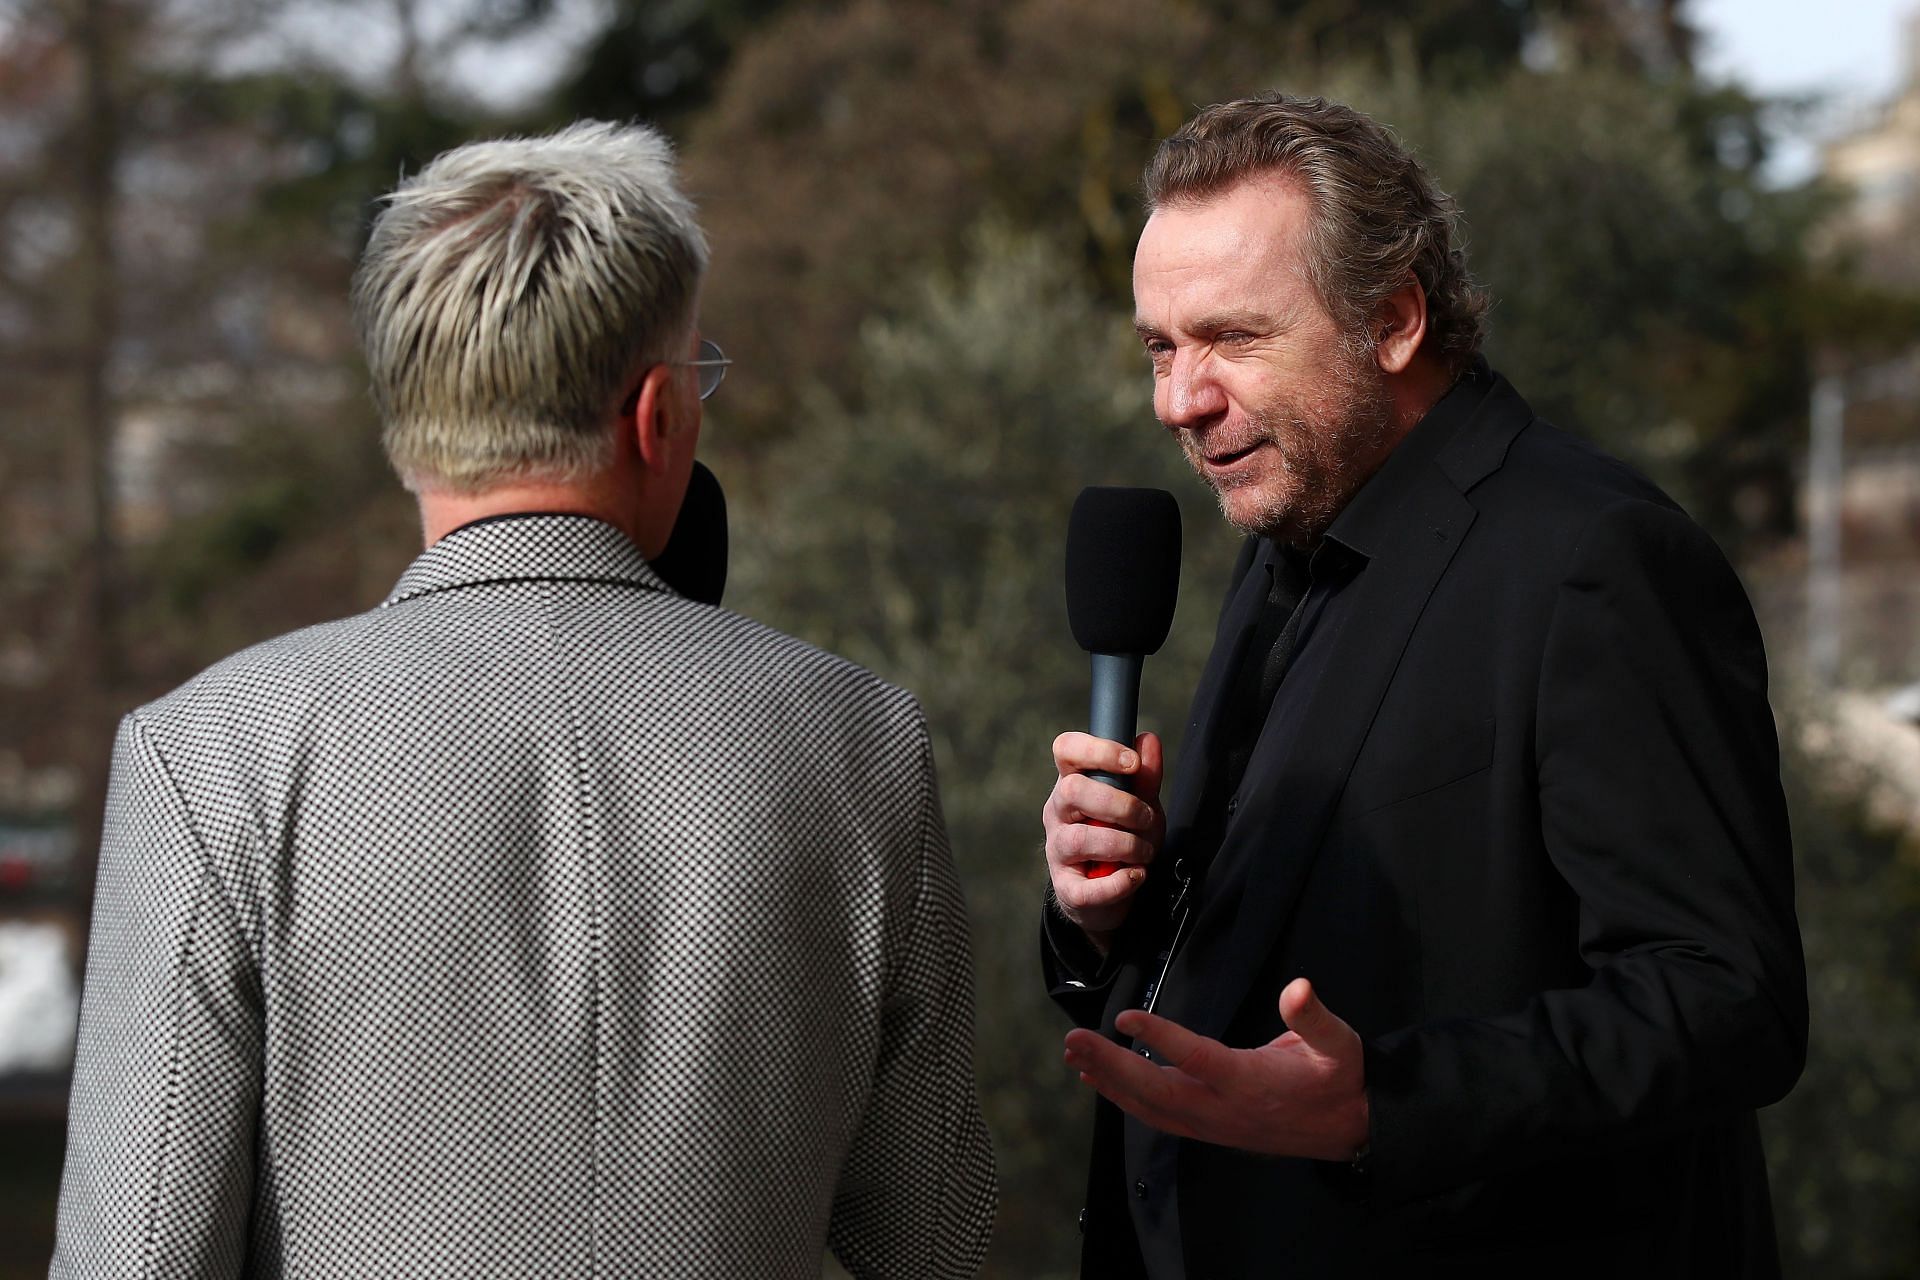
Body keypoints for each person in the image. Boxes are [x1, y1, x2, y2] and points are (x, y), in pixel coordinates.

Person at [53, 121, 994, 1279]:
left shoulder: (210, 756)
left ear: (406, 433)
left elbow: (140, 1252)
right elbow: (938, 1239)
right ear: (657, 416)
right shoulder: (861, 743)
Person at [1040, 93, 1806, 1278]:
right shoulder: (1289, 531)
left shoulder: (1593, 559)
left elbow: (1727, 999)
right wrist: (1110, 914)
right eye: (1160, 345)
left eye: (1232, 339)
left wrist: (1381, 1103)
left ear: (1394, 318)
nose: (1178, 402)